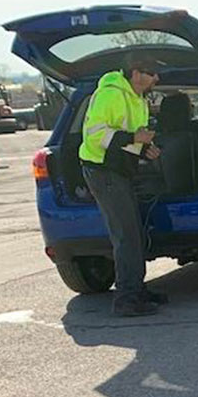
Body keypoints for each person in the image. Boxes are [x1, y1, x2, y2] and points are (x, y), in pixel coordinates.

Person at [81, 56, 165, 316]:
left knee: (135, 233)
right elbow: (94, 134)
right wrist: (133, 138)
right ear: (137, 72)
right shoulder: (111, 95)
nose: (156, 80)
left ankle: (136, 290)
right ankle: (126, 300)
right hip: (102, 170)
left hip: (119, 170)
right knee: (125, 235)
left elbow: (129, 139)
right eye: (153, 74)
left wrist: (144, 150)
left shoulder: (137, 99)